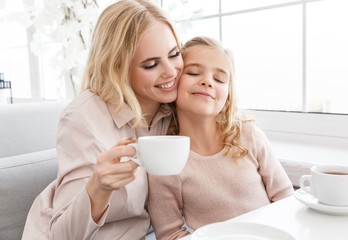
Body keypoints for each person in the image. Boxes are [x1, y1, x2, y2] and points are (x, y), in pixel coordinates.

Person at [22, 0, 183, 239]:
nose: (171, 71)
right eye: (151, 64)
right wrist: (99, 187)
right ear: (118, 68)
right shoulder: (83, 117)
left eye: (175, 54)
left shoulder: (176, 107)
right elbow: (63, 235)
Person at [147, 36, 294, 240]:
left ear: (227, 95)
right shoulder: (165, 161)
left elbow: (286, 200)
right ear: (173, 83)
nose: (207, 81)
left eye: (219, 79)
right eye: (193, 72)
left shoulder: (249, 135)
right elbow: (170, 234)